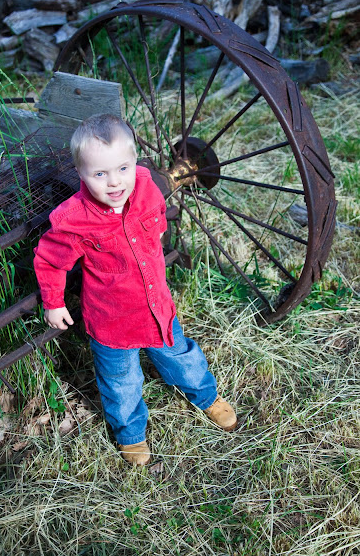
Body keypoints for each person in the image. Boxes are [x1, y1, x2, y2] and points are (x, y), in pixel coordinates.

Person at [34, 114, 237, 466]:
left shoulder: (144, 184)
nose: (115, 182)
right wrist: (53, 302)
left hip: (157, 309)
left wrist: (156, 235)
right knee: (121, 382)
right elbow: (50, 260)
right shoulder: (74, 219)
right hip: (112, 322)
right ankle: (130, 433)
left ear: (134, 162)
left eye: (122, 169)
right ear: (80, 173)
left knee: (180, 357)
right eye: (100, 174)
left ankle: (206, 396)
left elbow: (157, 215)